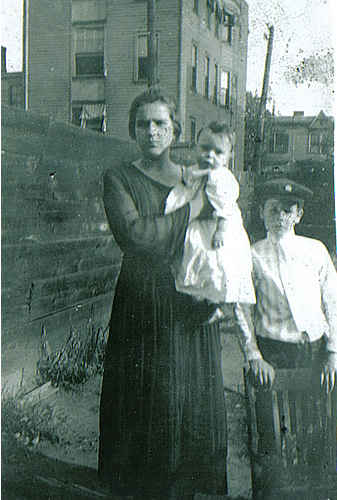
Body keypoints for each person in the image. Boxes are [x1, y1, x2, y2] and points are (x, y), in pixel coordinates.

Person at [99, 89, 228, 499]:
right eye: (143, 123)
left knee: (188, 396)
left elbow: (223, 243)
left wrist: (218, 294)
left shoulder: (196, 178)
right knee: (148, 397)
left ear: (175, 130)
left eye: (160, 123)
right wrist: (189, 211)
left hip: (191, 304)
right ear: (133, 130)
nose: (151, 131)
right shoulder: (119, 177)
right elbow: (136, 237)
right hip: (144, 303)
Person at [235, 177, 337, 388]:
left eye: (287, 210)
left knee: (314, 415)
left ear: (298, 215)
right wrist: (254, 355)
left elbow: (332, 300)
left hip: (315, 352)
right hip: (273, 353)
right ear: (261, 212)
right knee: (272, 414)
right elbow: (242, 308)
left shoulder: (315, 250)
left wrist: (333, 351)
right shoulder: (253, 255)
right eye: (273, 210)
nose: (280, 217)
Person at [165, 121, 255, 308]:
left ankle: (214, 301)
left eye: (218, 152)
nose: (209, 155)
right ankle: (197, 295)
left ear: (228, 156)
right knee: (191, 255)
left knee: (213, 261)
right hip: (195, 223)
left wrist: (221, 230)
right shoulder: (196, 170)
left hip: (214, 227)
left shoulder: (221, 176)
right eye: (204, 148)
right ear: (196, 147)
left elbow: (225, 206)